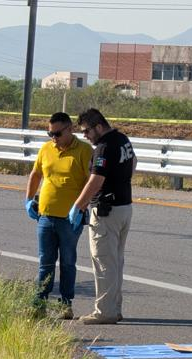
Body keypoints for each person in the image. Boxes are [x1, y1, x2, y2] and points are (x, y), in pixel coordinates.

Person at [69, 108, 135, 325]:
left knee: (104, 261)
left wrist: (79, 206)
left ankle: (105, 311)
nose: (85, 136)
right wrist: (120, 182)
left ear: (98, 126)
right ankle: (114, 308)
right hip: (124, 207)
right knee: (115, 262)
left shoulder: (104, 148)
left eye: (86, 131)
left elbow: (96, 180)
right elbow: (134, 162)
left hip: (107, 211)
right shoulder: (122, 139)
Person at [25, 112, 93, 319]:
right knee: (45, 262)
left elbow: (91, 183)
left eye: (57, 133)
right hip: (45, 215)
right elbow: (36, 174)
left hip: (70, 219)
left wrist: (81, 208)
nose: (53, 138)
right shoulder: (46, 149)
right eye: (50, 134)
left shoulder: (84, 151)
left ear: (70, 129)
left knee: (67, 262)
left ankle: (65, 305)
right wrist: (28, 199)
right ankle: (39, 304)